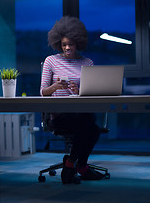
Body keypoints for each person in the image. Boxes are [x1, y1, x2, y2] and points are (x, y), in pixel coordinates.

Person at [40, 16, 104, 184]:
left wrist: (79, 91)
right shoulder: (51, 61)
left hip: (80, 113)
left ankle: (73, 165)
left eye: (71, 44)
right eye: (64, 45)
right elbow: (43, 91)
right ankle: (78, 167)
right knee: (89, 126)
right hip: (60, 115)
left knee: (91, 125)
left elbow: (91, 92)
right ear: (58, 44)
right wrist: (55, 86)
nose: (67, 48)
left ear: (78, 43)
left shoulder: (87, 62)